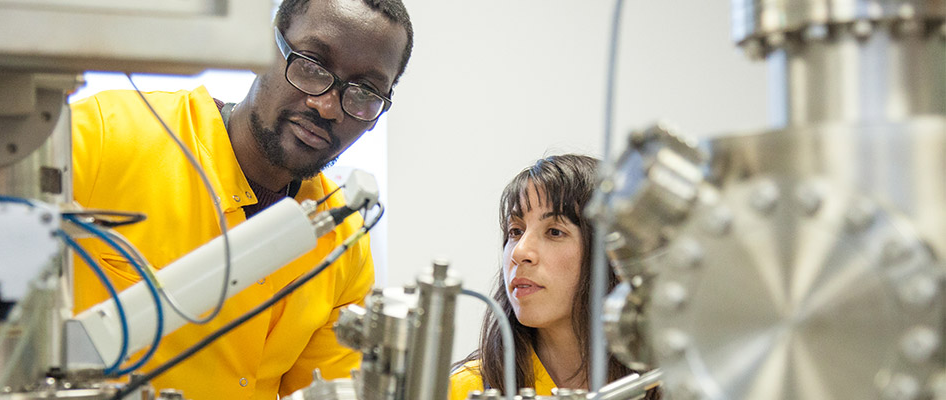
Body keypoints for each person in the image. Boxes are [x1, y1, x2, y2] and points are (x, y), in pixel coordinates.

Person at [68, 0, 413, 399]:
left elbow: (328, 388)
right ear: (262, 49)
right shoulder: (106, 134)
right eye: (312, 65)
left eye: (365, 91)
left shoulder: (344, 238)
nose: (327, 106)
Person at [450, 154, 660, 399]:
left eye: (554, 232)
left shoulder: (676, 384)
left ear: (613, 257)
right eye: (515, 231)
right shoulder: (464, 389)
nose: (520, 252)